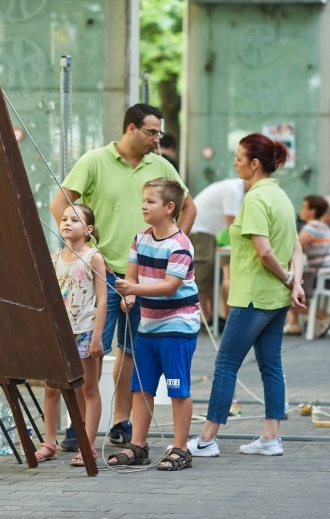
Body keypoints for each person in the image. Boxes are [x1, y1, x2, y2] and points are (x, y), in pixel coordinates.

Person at [49, 103, 196, 451]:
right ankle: (78, 426)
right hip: (100, 272)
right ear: (131, 128)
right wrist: (83, 248)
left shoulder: (161, 165)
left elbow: (188, 207)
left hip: (144, 280)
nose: (157, 138)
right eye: (151, 132)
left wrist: (172, 249)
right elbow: (59, 205)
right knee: (89, 353)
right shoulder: (93, 161)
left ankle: (120, 422)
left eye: (159, 132)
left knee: (131, 352)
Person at [187, 133, 305, 458]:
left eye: (239, 158)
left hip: (253, 296)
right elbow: (296, 247)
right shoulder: (281, 196)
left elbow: (265, 252)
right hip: (276, 298)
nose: (235, 162)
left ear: (254, 164)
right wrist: (294, 283)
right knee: (271, 366)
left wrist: (290, 278)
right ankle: (271, 437)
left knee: (226, 364)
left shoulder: (255, 198)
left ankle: (207, 439)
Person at [107, 178, 200, 471]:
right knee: (142, 387)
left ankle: (181, 449)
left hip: (177, 328)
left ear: (169, 207)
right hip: (147, 327)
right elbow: (132, 276)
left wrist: (134, 290)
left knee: (176, 387)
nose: (144, 206)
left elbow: (170, 286)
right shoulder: (140, 239)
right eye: (143, 200)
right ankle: (138, 445)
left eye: (151, 201)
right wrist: (130, 297)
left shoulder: (180, 245)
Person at [35, 205, 106, 467]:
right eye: (65, 219)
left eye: (75, 220)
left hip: (85, 332)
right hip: (59, 334)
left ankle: (88, 445)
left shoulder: (93, 258)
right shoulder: (54, 258)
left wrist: (97, 336)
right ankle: (49, 443)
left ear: (88, 229)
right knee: (52, 388)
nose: (67, 223)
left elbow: (102, 301)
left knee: (88, 389)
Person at [189, 178, 247, 325]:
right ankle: (205, 319)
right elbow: (232, 224)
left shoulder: (236, 188)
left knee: (212, 276)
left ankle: (214, 318)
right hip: (200, 230)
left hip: (208, 232)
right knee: (203, 276)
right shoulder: (233, 190)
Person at [284, 195, 330, 337]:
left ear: (313, 211)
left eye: (304, 207)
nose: (301, 209)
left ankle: (325, 317)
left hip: (323, 277)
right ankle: (294, 324)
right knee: (292, 282)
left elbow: (292, 249)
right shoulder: (324, 226)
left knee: (284, 292)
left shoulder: (310, 229)